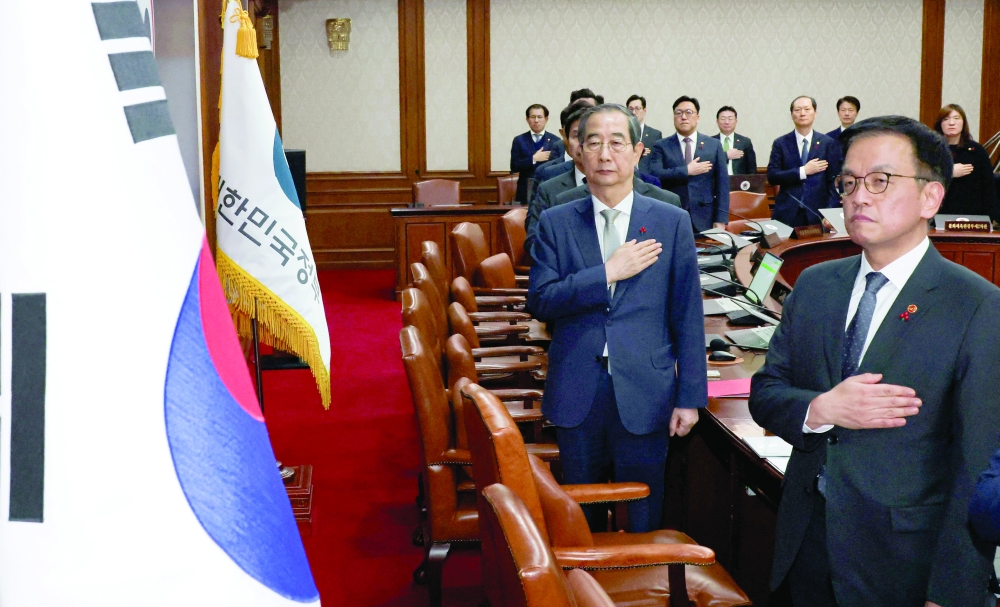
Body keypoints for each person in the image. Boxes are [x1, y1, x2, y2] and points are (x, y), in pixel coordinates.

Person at [749, 115, 1000, 607]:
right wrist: (823, 408)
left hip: (903, 559)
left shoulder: (976, 305)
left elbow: (977, 463)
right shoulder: (816, 285)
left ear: (931, 196)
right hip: (807, 541)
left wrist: (949, 591)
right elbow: (766, 394)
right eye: (849, 182)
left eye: (880, 181)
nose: (858, 196)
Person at [528, 104, 705, 533]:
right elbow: (541, 301)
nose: (605, 154)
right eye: (593, 143)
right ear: (578, 153)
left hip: (647, 389)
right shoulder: (555, 221)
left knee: (645, 509)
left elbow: (687, 314)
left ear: (638, 151)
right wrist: (606, 273)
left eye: (617, 143)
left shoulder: (671, 220)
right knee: (578, 516)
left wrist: (689, 397)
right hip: (577, 390)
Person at [648, 96, 729, 232]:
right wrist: (686, 170)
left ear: (697, 117)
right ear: (674, 117)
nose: (683, 117)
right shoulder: (661, 146)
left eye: (688, 112)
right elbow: (655, 174)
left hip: (705, 216)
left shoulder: (713, 145)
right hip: (671, 214)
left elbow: (722, 185)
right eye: (678, 113)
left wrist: (720, 219)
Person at [524, 103, 590, 256]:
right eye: (576, 136)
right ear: (565, 138)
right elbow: (533, 241)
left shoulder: (625, 183)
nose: (583, 144)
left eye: (592, 138)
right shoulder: (549, 186)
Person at [767, 96, 842, 227]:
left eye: (807, 109)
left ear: (815, 113)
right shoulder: (781, 143)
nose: (802, 113)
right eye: (798, 110)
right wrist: (803, 171)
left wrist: (830, 212)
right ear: (791, 114)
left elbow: (833, 182)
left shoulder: (827, 143)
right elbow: (772, 176)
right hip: (787, 213)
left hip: (817, 214)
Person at [933, 103, 999, 222]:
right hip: (938, 216)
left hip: (975, 218)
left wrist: (993, 218)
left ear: (963, 123)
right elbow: (921, 181)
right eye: (946, 119)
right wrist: (949, 172)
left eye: (956, 118)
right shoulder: (932, 151)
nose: (951, 123)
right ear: (940, 124)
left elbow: (989, 187)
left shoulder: (977, 151)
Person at [510, 104, 564, 203]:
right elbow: (514, 166)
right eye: (533, 117)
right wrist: (533, 159)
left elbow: (559, 166)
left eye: (539, 117)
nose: (536, 120)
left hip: (548, 186)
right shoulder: (519, 140)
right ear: (527, 119)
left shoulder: (555, 141)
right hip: (525, 189)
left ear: (546, 119)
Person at [533, 99, 595, 185]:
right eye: (577, 136)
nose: (583, 143)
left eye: (591, 136)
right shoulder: (548, 175)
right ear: (565, 135)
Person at [713, 106, 757, 176]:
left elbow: (752, 169)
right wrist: (725, 155)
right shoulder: (710, 142)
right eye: (723, 119)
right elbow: (707, 164)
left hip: (738, 184)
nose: (726, 122)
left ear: (736, 121)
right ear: (717, 121)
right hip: (716, 184)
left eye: (730, 119)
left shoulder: (745, 142)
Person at [626, 95, 662, 174]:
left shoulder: (655, 134)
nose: (634, 112)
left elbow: (657, 162)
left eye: (637, 108)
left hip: (647, 179)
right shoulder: (622, 133)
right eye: (630, 109)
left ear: (644, 110)